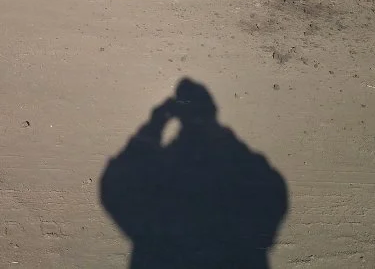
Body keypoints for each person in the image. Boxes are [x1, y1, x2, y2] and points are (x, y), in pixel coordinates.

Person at [100, 78, 288, 269]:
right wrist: (218, 134)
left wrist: (153, 127)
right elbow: (272, 194)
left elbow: (115, 185)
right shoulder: (240, 173)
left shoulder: (163, 176)